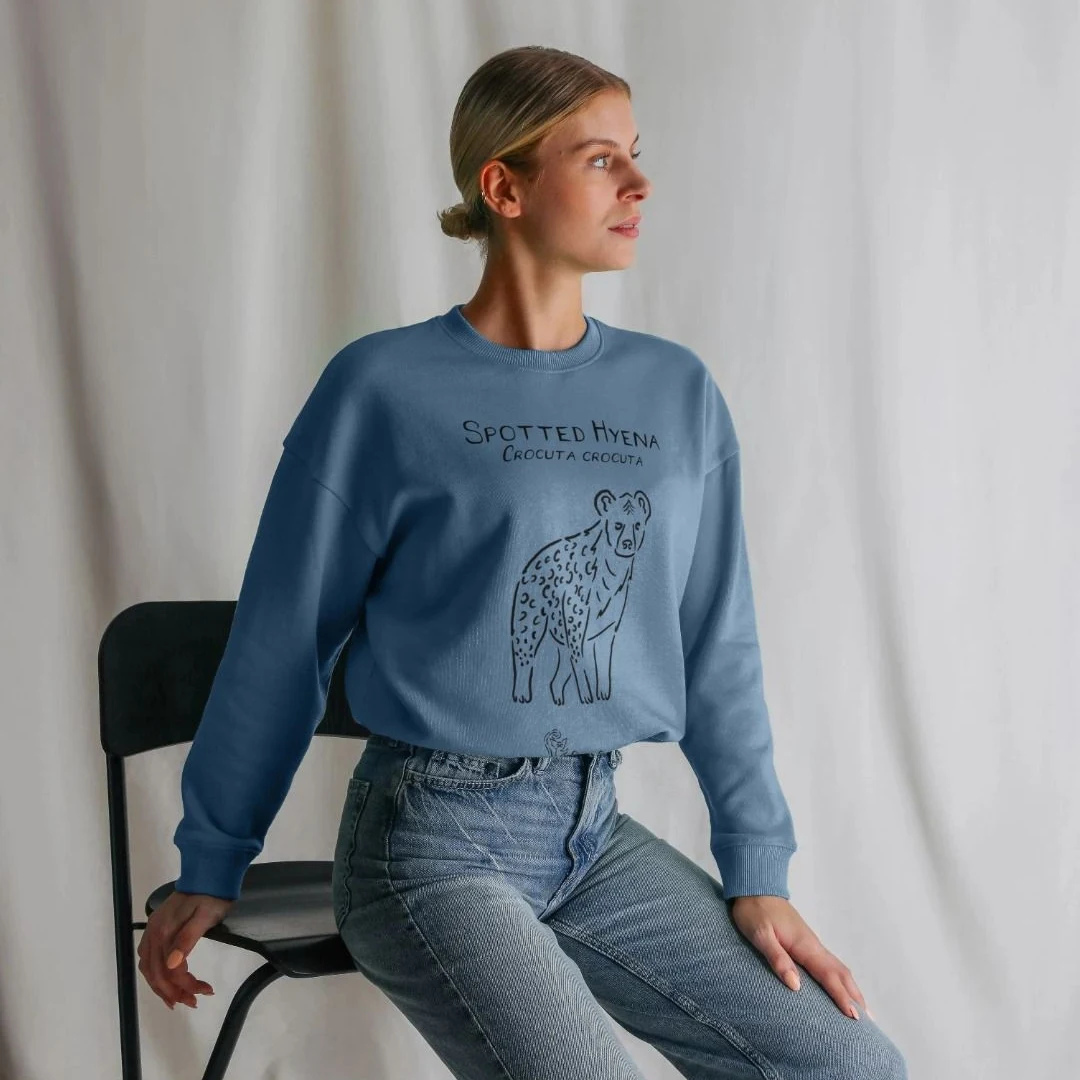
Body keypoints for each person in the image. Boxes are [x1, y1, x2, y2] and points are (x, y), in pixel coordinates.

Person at [138, 45, 907, 1080]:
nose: (638, 184)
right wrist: (215, 854)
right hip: (429, 840)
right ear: (503, 188)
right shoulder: (382, 388)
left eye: (635, 155)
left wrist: (757, 868)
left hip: (593, 832)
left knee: (849, 1065)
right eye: (600, 160)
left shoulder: (676, 393)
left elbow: (717, 643)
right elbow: (285, 636)